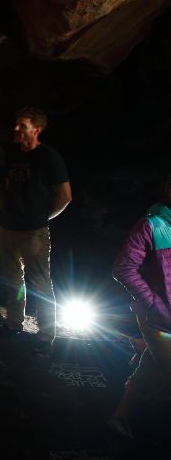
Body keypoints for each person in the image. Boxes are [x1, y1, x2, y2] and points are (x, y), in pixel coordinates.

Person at [0, 107, 72, 356]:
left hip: (33, 231)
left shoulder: (49, 157)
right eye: (16, 124)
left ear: (36, 129)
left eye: (22, 126)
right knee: (12, 279)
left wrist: (43, 218)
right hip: (7, 228)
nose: (16, 129)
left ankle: (45, 335)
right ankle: (13, 324)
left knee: (40, 283)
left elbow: (65, 196)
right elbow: (5, 184)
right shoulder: (12, 153)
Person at [108, 173, 171, 440]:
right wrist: (152, 302)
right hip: (159, 320)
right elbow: (123, 268)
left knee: (152, 366)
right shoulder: (151, 225)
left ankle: (119, 417)